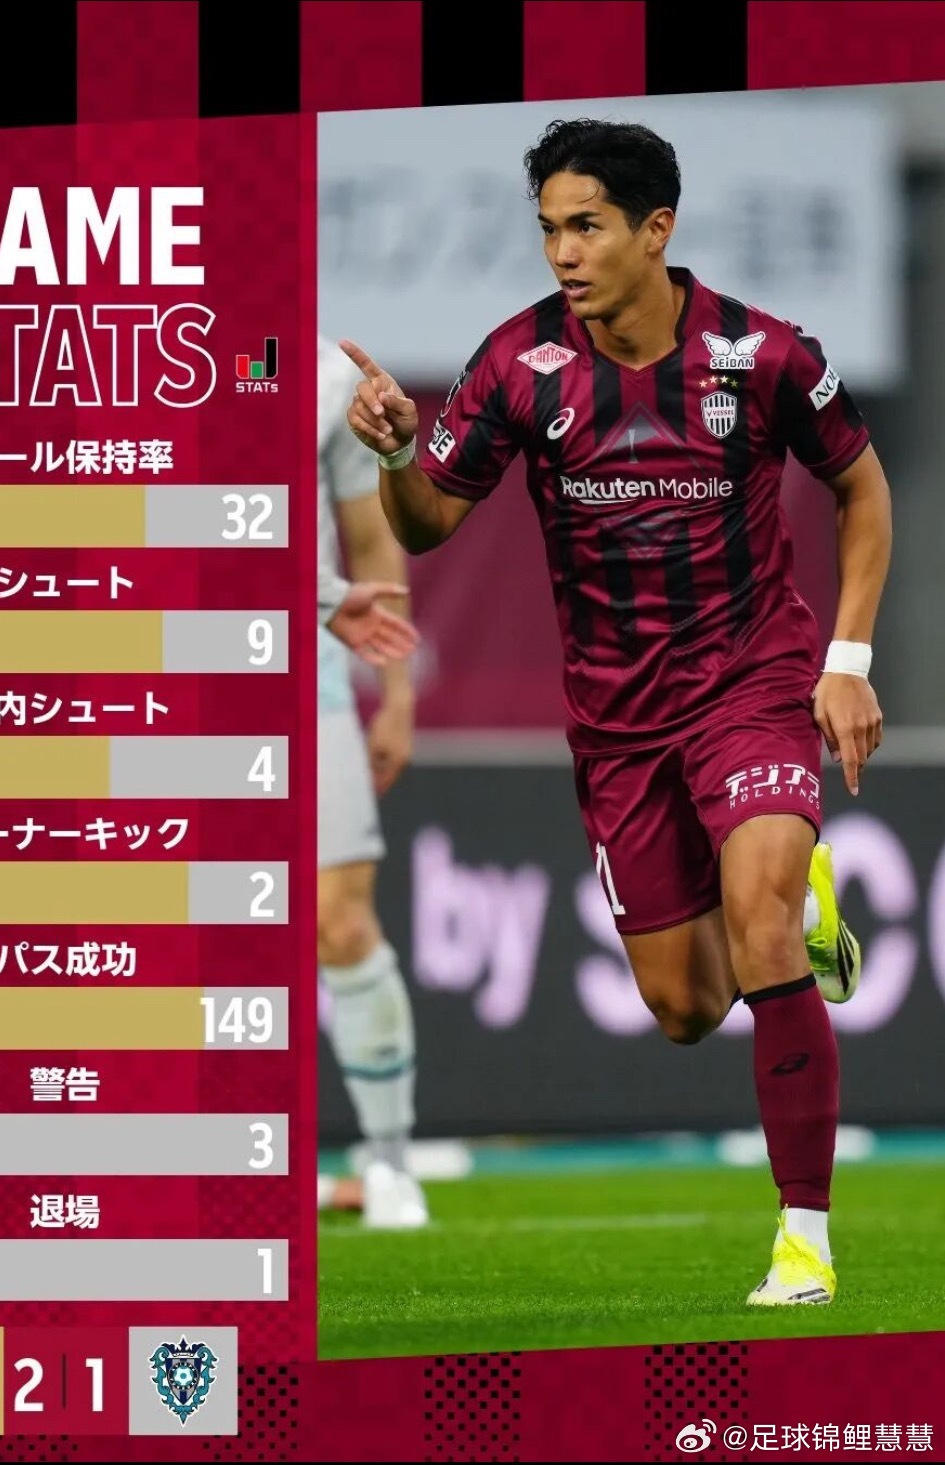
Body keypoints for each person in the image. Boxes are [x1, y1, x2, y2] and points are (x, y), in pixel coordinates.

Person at [340, 119, 892, 1303]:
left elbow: (859, 485)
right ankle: (800, 913)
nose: (562, 252)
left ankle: (802, 1240)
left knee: (757, 924)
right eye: (547, 228)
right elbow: (427, 525)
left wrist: (844, 658)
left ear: (655, 229)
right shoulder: (516, 363)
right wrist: (394, 457)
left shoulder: (760, 353)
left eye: (585, 225)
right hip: (617, 722)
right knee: (685, 1007)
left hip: (749, 684)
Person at [315, 331, 429, 1229]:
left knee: (341, 920)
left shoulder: (324, 375)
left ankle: (389, 1163)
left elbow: (368, 537)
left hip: (304, 688)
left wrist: (394, 694)